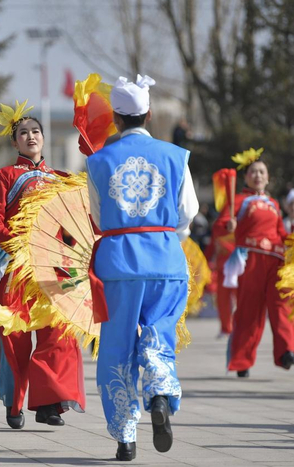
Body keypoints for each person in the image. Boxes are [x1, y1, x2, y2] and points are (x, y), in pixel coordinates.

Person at [86, 75, 199, 461]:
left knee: (116, 346)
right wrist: (167, 235)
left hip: (118, 262)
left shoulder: (98, 161)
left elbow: (98, 218)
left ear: (116, 119)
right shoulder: (175, 156)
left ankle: (125, 436)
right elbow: (188, 212)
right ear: (149, 114)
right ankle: (160, 394)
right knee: (160, 332)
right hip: (166, 258)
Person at [0, 101, 85, 429]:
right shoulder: (5, 176)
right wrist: (14, 244)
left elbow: (71, 224)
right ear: (15, 142)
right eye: (23, 133)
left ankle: (48, 404)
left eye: (35, 131)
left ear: (43, 137)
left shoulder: (60, 179)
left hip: (54, 267)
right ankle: (14, 402)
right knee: (15, 336)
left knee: (60, 334)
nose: (31, 136)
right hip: (18, 267)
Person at [219, 149, 294, 377]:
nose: (258, 176)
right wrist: (228, 225)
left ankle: (286, 352)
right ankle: (241, 361)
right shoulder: (239, 201)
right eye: (253, 172)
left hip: (276, 261)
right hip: (250, 260)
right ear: (246, 177)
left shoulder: (273, 203)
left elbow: (281, 233)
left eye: (262, 172)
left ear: (268, 177)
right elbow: (222, 224)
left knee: (282, 305)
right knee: (249, 311)